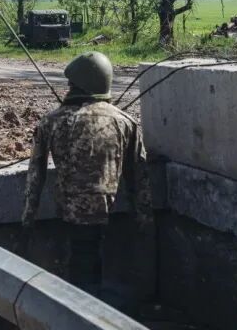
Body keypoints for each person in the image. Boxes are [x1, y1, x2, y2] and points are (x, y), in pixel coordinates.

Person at [21, 51, 154, 292]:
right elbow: (139, 174)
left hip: (67, 208)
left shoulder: (51, 120)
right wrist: (143, 218)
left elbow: (35, 173)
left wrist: (29, 216)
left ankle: (81, 301)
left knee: (80, 258)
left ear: (76, 85)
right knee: (92, 257)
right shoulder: (124, 121)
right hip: (106, 208)